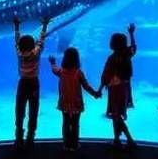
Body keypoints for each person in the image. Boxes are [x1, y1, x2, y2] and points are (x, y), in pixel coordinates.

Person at [49, 48, 99, 151]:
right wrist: (95, 93)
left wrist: (53, 62)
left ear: (65, 59)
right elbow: (86, 86)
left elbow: (54, 69)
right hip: (76, 103)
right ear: (77, 59)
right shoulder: (78, 72)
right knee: (75, 124)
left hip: (64, 103)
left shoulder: (61, 71)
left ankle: (67, 145)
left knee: (66, 123)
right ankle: (74, 145)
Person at [97, 23, 137, 149]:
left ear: (112, 44)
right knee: (117, 114)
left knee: (116, 115)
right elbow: (134, 47)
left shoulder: (112, 58)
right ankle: (117, 140)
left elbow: (105, 74)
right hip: (125, 88)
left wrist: (99, 89)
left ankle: (129, 139)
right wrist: (131, 33)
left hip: (115, 90)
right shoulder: (127, 54)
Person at [13, 15, 50, 149]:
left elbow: (17, 41)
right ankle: (30, 136)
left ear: (21, 47)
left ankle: (18, 136)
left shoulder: (19, 53)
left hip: (22, 83)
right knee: (33, 110)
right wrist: (44, 25)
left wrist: (17, 26)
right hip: (34, 83)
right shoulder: (36, 53)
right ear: (33, 45)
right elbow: (41, 40)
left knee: (19, 109)